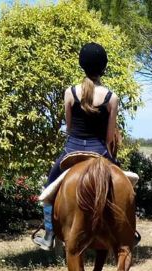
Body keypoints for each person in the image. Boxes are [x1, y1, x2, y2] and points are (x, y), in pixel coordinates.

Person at [33, 42, 120, 250]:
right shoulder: (111, 98)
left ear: (82, 65)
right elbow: (109, 136)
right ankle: (125, 230)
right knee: (123, 185)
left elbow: (69, 127)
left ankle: (49, 233)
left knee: (48, 189)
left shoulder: (70, 92)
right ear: (103, 67)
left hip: (71, 149)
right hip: (99, 152)